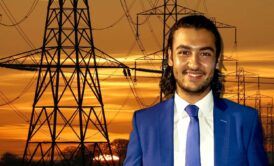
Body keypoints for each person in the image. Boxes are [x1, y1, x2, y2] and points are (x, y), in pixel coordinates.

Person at [124, 15, 268, 166]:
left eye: (205, 53)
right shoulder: (145, 123)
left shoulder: (245, 121)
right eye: (184, 52)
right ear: (170, 57)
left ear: (217, 60)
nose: (194, 64)